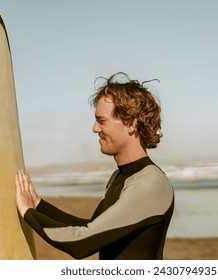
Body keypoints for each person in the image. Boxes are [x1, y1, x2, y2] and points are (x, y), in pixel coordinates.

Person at [15, 72, 174, 260]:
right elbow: (93, 227)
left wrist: (28, 213)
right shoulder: (120, 177)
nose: (95, 128)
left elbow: (81, 242)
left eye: (101, 120)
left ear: (131, 123)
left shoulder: (150, 183)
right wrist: (39, 206)